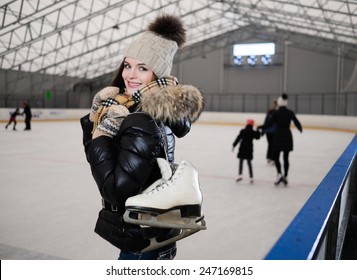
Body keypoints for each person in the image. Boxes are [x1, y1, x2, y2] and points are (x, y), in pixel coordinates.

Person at [80, 14, 204, 260]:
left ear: (157, 75)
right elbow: (103, 160)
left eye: (143, 68)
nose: (130, 75)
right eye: (127, 65)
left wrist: (102, 134)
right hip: (153, 237)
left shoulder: (140, 120)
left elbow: (115, 191)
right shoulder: (143, 110)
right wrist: (94, 121)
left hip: (142, 245)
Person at [259, 94, 303, 186]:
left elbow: (269, 124)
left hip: (278, 135)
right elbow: (296, 121)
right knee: (286, 157)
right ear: (286, 103)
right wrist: (300, 128)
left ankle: (279, 174)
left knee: (276, 157)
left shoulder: (276, 113)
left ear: (279, 103)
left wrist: (261, 127)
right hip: (287, 135)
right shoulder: (290, 112)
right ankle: (285, 176)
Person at [232, 119, 261, 184]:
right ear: (252, 124)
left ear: (247, 124)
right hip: (249, 148)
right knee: (249, 163)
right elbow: (258, 137)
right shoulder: (253, 132)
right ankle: (251, 177)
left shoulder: (243, 131)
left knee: (241, 162)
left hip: (242, 147)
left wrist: (234, 145)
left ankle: (240, 175)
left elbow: (238, 138)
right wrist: (258, 130)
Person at [261, 99, 278, 164]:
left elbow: (265, 121)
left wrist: (263, 130)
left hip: (268, 131)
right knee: (273, 145)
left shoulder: (270, 111)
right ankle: (272, 158)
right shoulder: (278, 112)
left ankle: (269, 158)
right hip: (274, 132)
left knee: (270, 145)